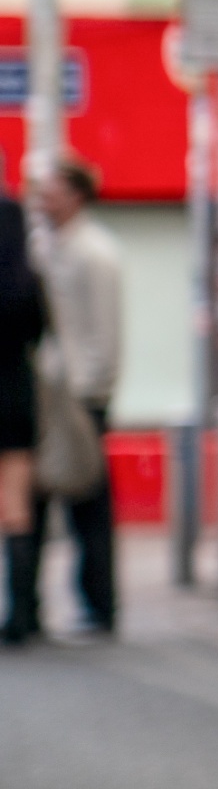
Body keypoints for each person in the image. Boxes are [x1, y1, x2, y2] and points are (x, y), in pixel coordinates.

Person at [7, 157, 120, 641]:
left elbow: (105, 331)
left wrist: (91, 394)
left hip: (78, 398)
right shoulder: (46, 247)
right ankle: (30, 607)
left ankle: (100, 604)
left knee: (87, 503)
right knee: (36, 498)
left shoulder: (95, 252)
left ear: (74, 195)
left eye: (49, 191)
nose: (40, 199)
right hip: (47, 394)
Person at [0, 206, 45, 639]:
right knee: (16, 509)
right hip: (14, 399)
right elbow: (40, 332)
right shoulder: (24, 279)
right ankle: (22, 613)